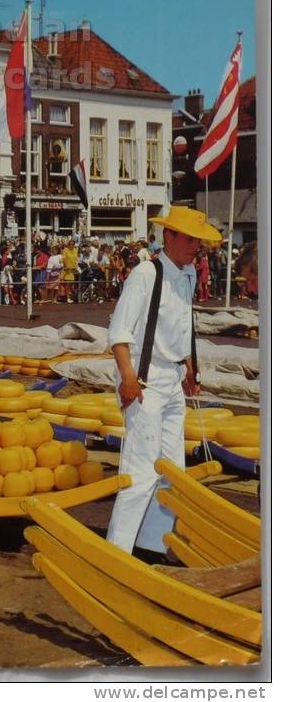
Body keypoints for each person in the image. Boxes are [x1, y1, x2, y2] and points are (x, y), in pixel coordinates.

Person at [106, 206, 222, 561]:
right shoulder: (145, 274)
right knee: (140, 471)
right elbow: (120, 333)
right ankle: (116, 555)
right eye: (189, 239)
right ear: (167, 236)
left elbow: (181, 328)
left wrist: (189, 368)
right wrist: (128, 379)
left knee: (172, 469)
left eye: (198, 242)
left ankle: (152, 547)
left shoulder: (185, 275)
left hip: (171, 380)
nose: (195, 248)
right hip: (145, 381)